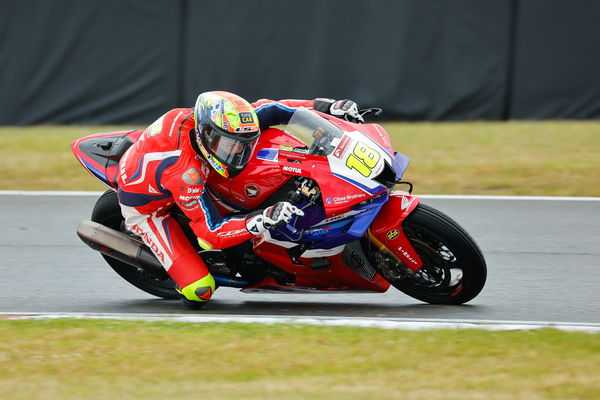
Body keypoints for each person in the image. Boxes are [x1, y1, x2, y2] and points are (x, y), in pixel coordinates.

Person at [116, 91, 363, 307]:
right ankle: (172, 265)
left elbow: (275, 108)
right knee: (199, 290)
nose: (238, 152)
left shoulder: (220, 120)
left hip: (161, 161)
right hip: (148, 209)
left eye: (243, 145)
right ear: (206, 134)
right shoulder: (187, 174)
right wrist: (262, 218)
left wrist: (326, 106)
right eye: (228, 146)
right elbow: (210, 234)